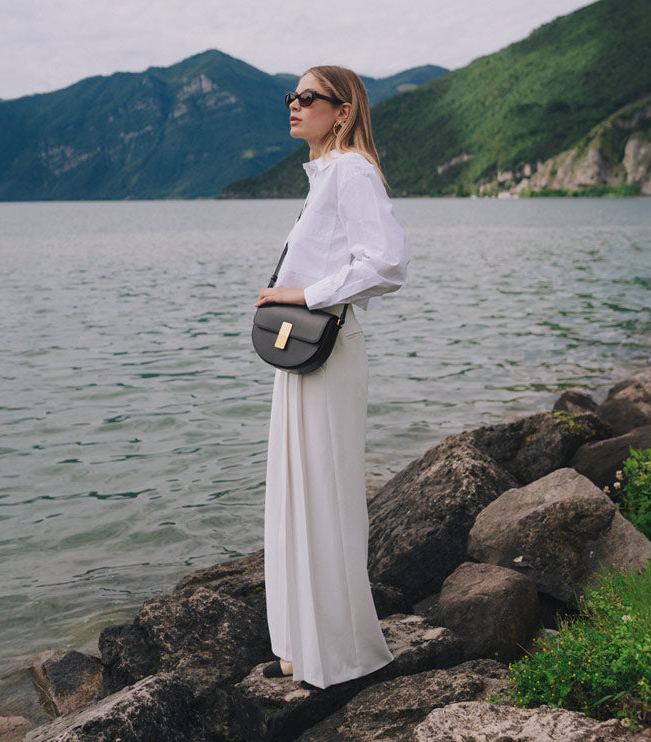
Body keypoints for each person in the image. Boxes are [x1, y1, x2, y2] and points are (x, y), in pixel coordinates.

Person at [253, 65, 409, 689]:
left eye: (308, 96)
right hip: (305, 350)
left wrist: (304, 293)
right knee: (296, 493)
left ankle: (342, 654)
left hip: (328, 347)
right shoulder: (325, 175)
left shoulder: (351, 171)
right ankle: (301, 647)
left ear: (342, 110)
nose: (294, 104)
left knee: (325, 495)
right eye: (291, 95)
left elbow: (389, 263)